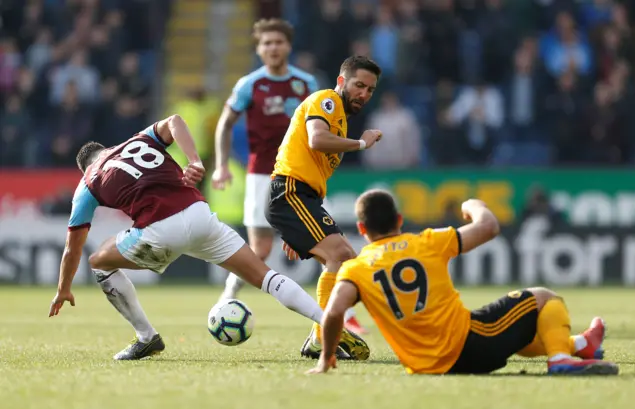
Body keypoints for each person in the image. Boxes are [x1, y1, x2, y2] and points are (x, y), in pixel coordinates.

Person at [47, 114, 368, 362]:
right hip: (200, 214)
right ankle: (328, 323)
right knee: (265, 276)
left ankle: (146, 337)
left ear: (83, 167)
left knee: (98, 261)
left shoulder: (87, 183)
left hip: (160, 232)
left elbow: (72, 247)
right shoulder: (137, 141)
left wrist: (63, 288)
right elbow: (174, 121)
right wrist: (195, 160)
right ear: (106, 149)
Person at [307, 189, 619, 376]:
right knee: (544, 298)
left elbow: (333, 313)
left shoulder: (356, 269)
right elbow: (489, 227)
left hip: (423, 365)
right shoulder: (426, 242)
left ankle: (579, 344)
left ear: (362, 228)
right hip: (467, 346)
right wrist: (473, 205)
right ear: (399, 220)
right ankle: (560, 359)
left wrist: (327, 357)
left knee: (518, 331)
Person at [211, 19, 368, 335]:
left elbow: (329, 123)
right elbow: (225, 122)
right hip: (261, 174)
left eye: (278, 42)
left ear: (288, 47)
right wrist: (221, 165)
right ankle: (229, 296)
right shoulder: (249, 85)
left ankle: (338, 315)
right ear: (259, 49)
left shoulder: (307, 84)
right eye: (266, 43)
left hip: (299, 176)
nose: (273, 48)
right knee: (260, 251)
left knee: (329, 252)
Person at [266, 55, 383, 360]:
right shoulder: (327, 100)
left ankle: (320, 336)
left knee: (344, 260)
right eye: (359, 85)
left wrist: (295, 229)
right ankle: (322, 335)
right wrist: (362, 144)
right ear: (342, 81)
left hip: (301, 199)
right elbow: (316, 140)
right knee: (342, 255)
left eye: (370, 90)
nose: (364, 94)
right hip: (290, 191)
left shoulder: (340, 121)